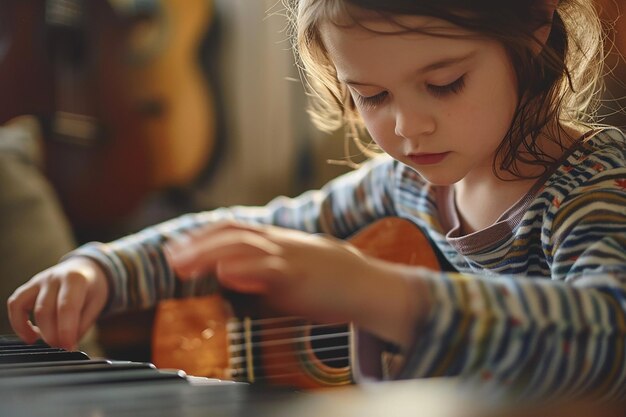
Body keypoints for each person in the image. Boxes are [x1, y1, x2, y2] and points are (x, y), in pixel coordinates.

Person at [7, 0, 626, 401]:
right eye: (372, 96)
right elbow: (249, 232)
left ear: (534, 31)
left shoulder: (590, 189)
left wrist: (373, 293)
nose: (408, 128)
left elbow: (606, 337)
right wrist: (103, 268)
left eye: (444, 84)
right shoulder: (405, 185)